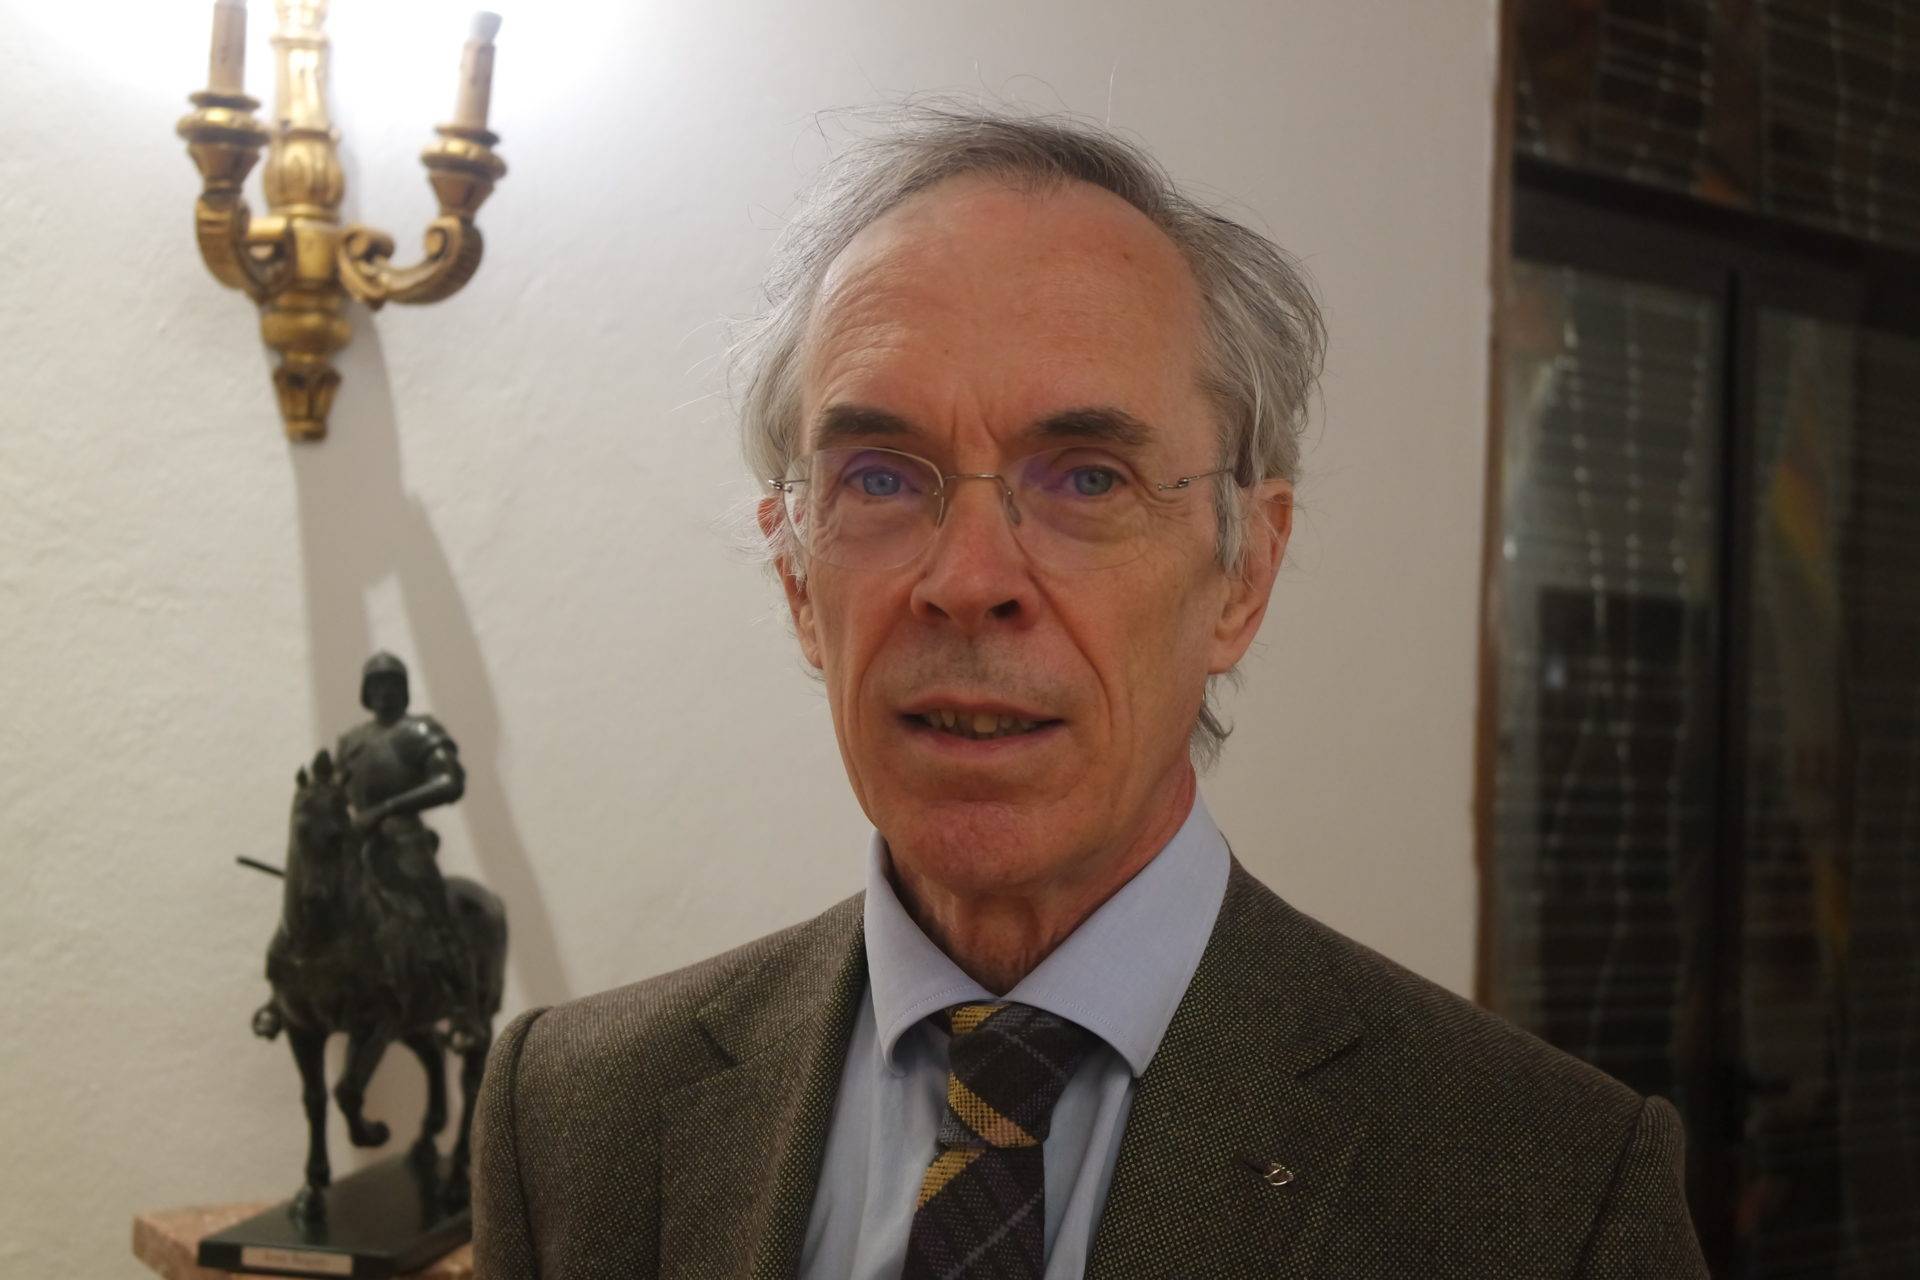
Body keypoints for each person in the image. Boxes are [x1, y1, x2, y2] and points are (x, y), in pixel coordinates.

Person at [472, 109, 1708, 1278]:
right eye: (881, 478)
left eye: (1087, 478)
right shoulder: (573, 1117)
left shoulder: (1551, 1195)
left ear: (1243, 574)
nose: (968, 582)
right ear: (799, 578)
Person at [337, 651, 483, 1049]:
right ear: (366, 692)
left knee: (434, 917)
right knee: (319, 901)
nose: (384, 692)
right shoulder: (351, 742)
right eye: (377, 685)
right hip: (358, 844)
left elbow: (450, 781)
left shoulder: (419, 730)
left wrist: (386, 809)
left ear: (403, 689)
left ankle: (464, 1010)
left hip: (404, 841)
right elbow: (337, 792)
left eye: (391, 684)